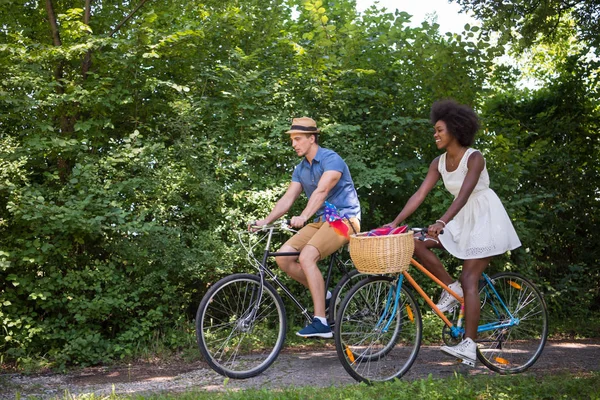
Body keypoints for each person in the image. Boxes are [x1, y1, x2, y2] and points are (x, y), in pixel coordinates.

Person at [386, 99, 521, 366]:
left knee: (470, 278)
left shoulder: (475, 157)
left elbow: (465, 194)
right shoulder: (438, 162)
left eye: (439, 130)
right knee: (414, 242)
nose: (434, 134)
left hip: (485, 218)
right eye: (434, 130)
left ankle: (469, 345)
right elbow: (420, 194)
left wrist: (442, 221)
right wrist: (395, 222)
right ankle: (451, 287)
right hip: (461, 221)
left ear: (456, 130)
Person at [252, 117, 361, 339]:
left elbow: (322, 191)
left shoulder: (331, 159)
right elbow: (288, 198)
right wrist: (265, 220)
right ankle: (327, 296)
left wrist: (303, 215)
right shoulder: (301, 169)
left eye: (298, 139)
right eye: (292, 139)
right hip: (321, 222)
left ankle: (320, 321)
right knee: (283, 257)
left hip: (343, 221)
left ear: (312, 138)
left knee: (307, 256)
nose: (294, 144)